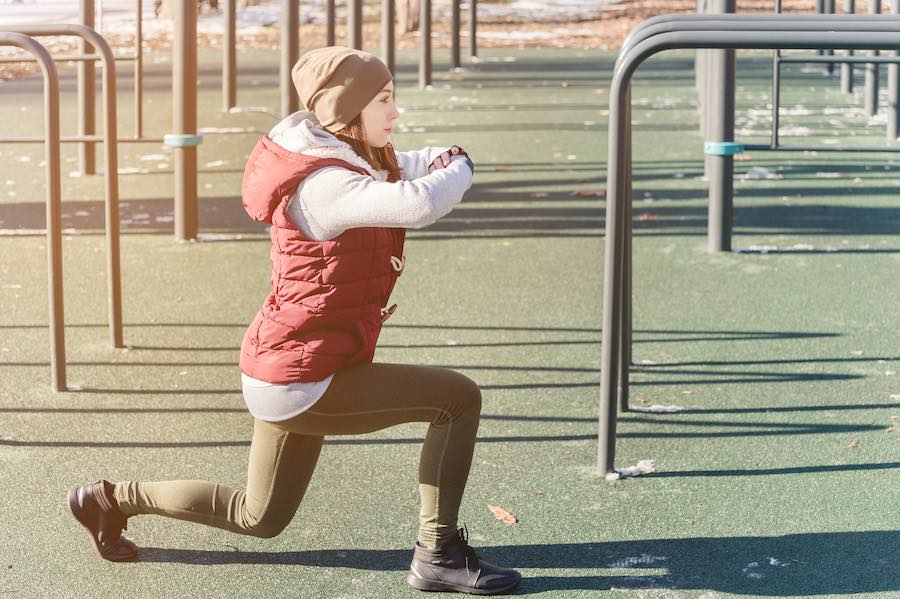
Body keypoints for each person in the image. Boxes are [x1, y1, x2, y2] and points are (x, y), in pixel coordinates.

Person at [67, 46, 521, 596]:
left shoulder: (340, 148)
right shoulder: (325, 186)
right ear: (346, 110)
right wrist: (463, 164)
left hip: (288, 363)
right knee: (457, 400)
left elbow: (400, 166)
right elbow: (417, 204)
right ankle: (438, 552)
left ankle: (108, 500)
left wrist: (443, 155)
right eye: (384, 101)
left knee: (259, 517)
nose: (394, 114)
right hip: (304, 378)